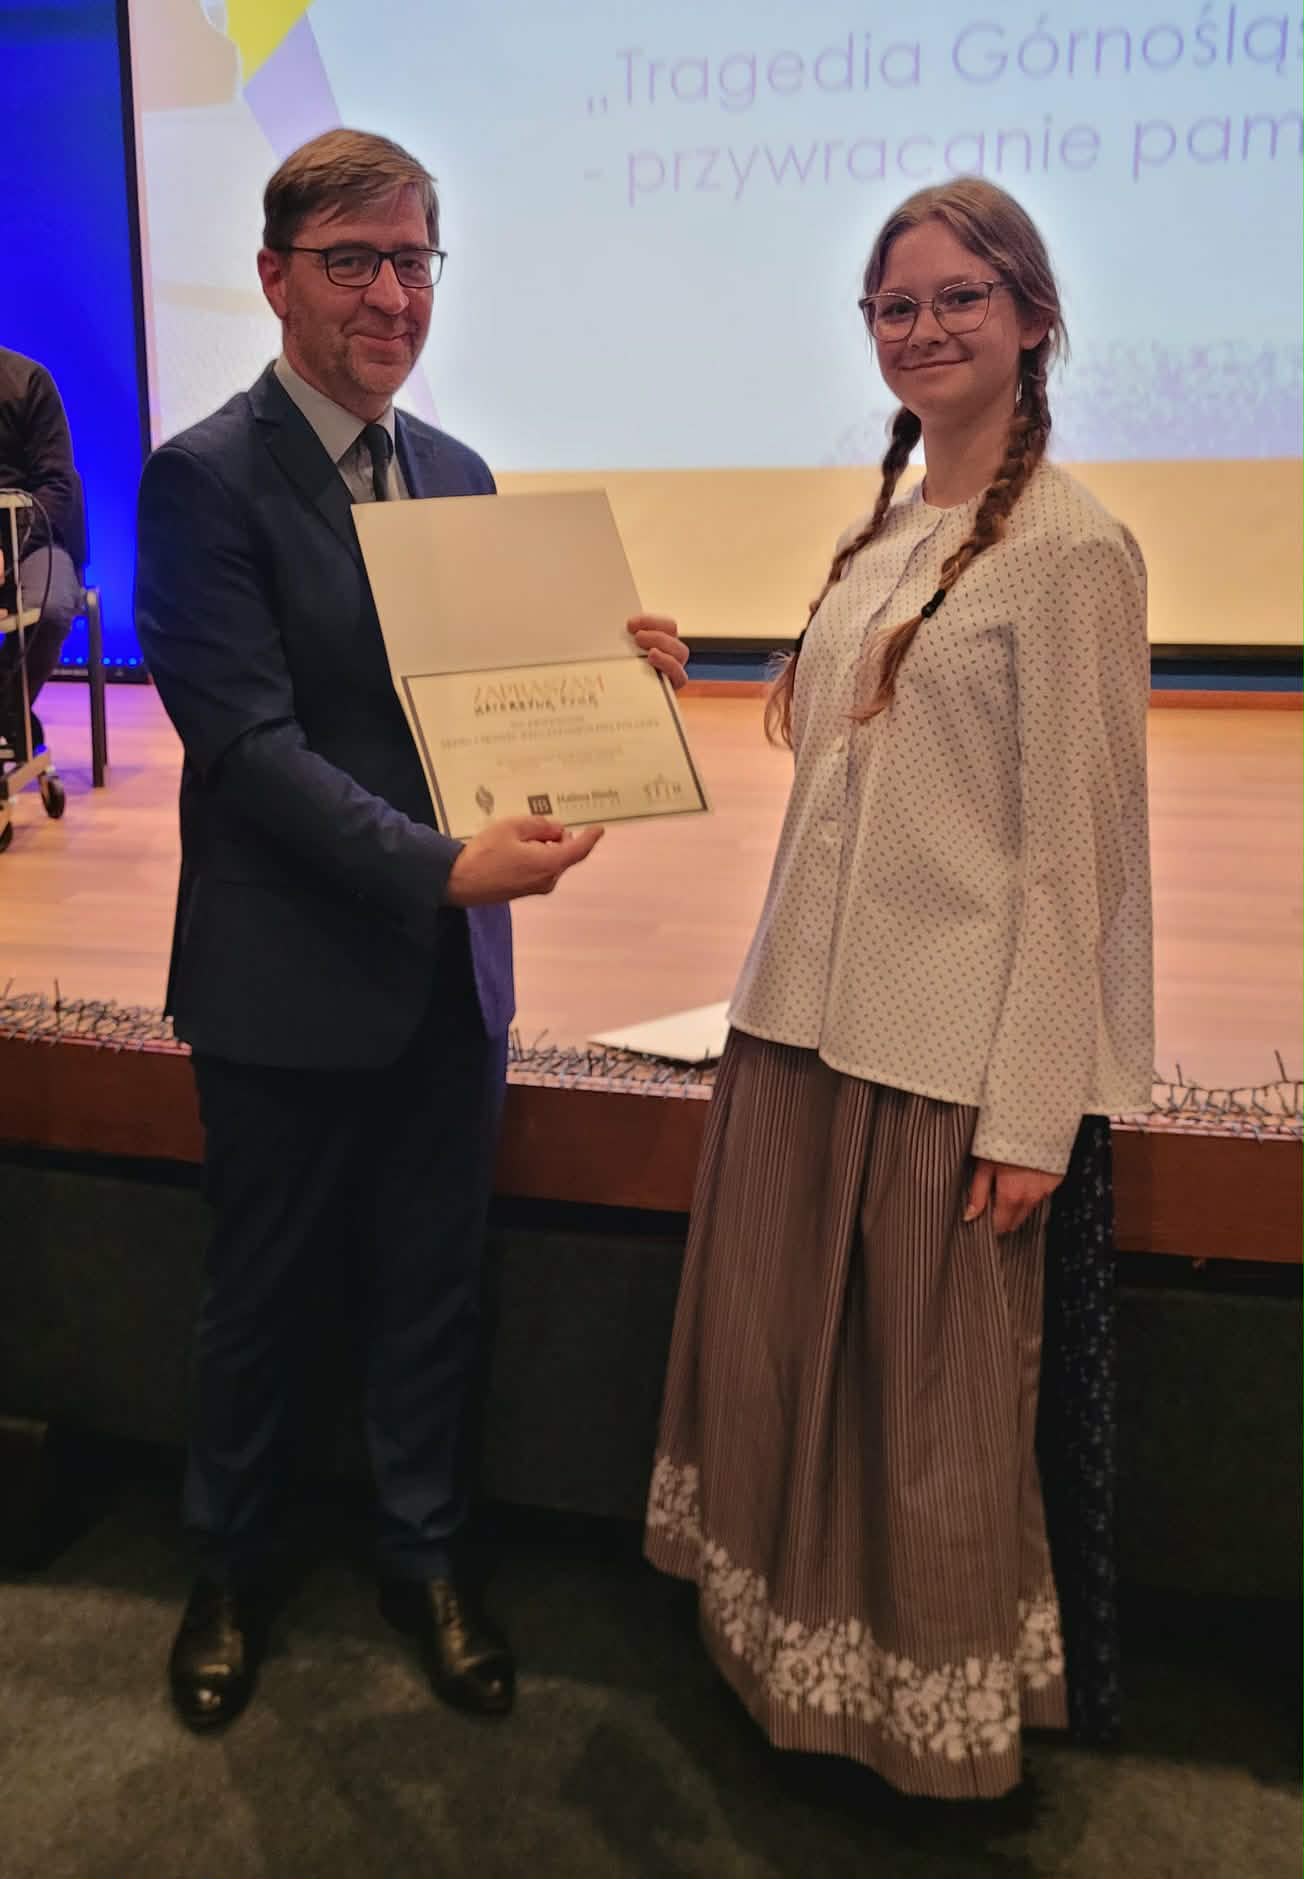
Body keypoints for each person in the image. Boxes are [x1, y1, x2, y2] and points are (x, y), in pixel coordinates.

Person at [134, 127, 687, 1733]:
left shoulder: (460, 475)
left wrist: (610, 681)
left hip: (448, 980)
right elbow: (247, 749)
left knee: (438, 1288)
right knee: (262, 1292)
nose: (391, 294)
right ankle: (228, 1566)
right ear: (273, 278)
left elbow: (489, 713)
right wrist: (442, 869)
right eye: (353, 262)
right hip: (281, 979)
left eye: (413, 260)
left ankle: (425, 1558)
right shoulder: (204, 478)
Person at [644, 177, 1153, 1800]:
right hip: (798, 1022)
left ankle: (917, 1734)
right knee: (788, 1375)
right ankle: (788, 1669)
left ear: (1032, 317)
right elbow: (844, 762)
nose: (921, 327)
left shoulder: (1071, 551)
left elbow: (1071, 862)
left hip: (937, 1057)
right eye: (894, 305)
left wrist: (1034, 1114)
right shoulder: (887, 532)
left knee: (923, 1421)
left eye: (957, 297)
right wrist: (650, 684)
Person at [0, 345, 84, 754]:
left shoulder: (28, 381)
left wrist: (6, 547)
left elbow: (57, 485)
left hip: (31, 540)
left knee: (49, 609)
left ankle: (7, 708)